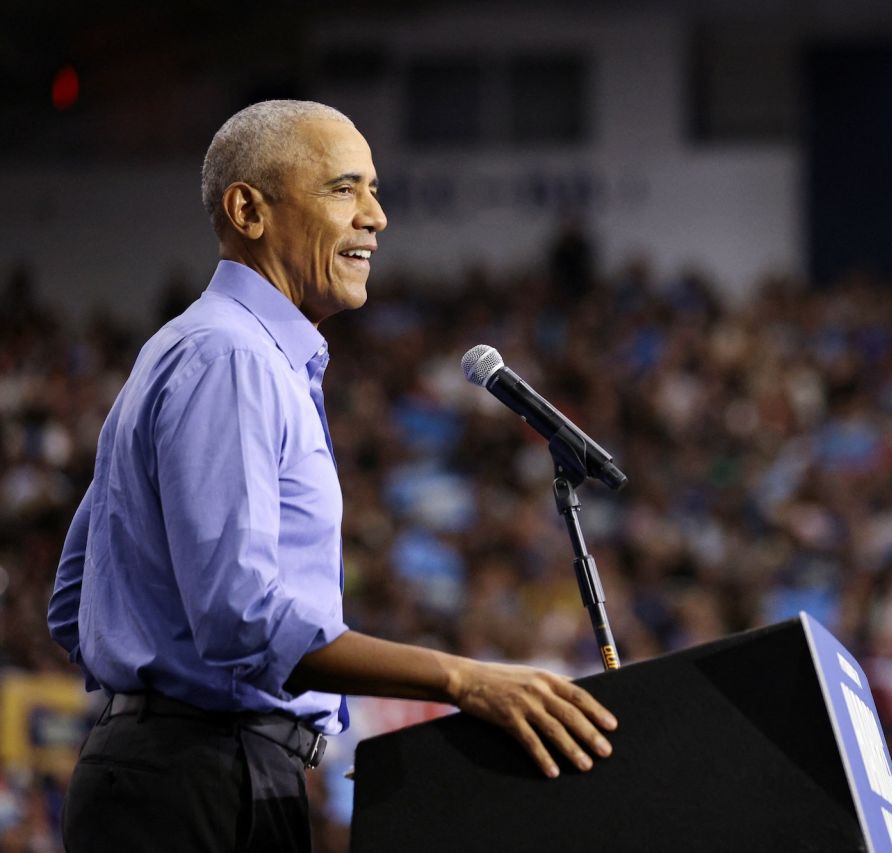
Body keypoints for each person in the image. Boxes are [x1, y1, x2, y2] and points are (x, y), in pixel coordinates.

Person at [47, 100, 617, 853]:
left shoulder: (212, 352)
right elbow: (239, 615)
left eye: (375, 190)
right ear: (249, 209)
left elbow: (72, 603)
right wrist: (461, 679)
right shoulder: (233, 360)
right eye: (344, 189)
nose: (376, 217)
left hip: (190, 770)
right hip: (197, 783)